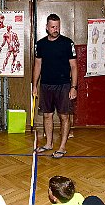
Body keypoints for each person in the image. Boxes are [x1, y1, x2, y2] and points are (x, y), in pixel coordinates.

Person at [32, 13, 78, 158]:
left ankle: (62, 146)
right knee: (47, 115)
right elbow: (37, 65)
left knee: (64, 117)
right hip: (46, 85)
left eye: (57, 26)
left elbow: (74, 67)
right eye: (52, 27)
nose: (55, 29)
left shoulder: (67, 43)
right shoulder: (40, 44)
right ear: (47, 27)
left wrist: (73, 87)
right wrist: (34, 85)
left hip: (64, 85)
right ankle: (49, 144)